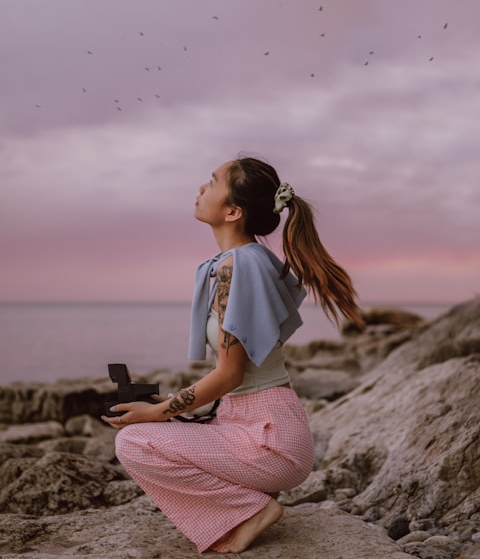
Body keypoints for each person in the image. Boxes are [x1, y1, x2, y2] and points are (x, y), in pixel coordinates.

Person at [102, 156, 363, 553]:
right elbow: (238, 373)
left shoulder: (236, 267)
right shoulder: (250, 261)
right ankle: (247, 507)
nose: (200, 188)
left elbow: (230, 375)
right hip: (256, 424)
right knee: (152, 433)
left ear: (232, 211)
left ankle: (250, 512)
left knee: (134, 442)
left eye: (211, 182)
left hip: (269, 441)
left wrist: (160, 412)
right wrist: (170, 405)